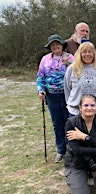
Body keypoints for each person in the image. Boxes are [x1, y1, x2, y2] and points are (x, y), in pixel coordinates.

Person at [36, 34, 74, 163]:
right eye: (52, 45)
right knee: (57, 123)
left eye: (57, 44)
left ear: (62, 45)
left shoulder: (70, 58)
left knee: (69, 121)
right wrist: (41, 90)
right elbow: (40, 76)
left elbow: (76, 73)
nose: (55, 47)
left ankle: (71, 149)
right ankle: (60, 149)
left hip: (67, 94)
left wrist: (67, 63)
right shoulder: (45, 59)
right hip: (51, 95)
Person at [64, 42, 96, 116]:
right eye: (84, 52)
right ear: (80, 54)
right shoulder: (72, 69)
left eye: (90, 52)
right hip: (75, 112)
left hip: (95, 111)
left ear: (94, 54)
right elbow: (67, 89)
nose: (87, 54)